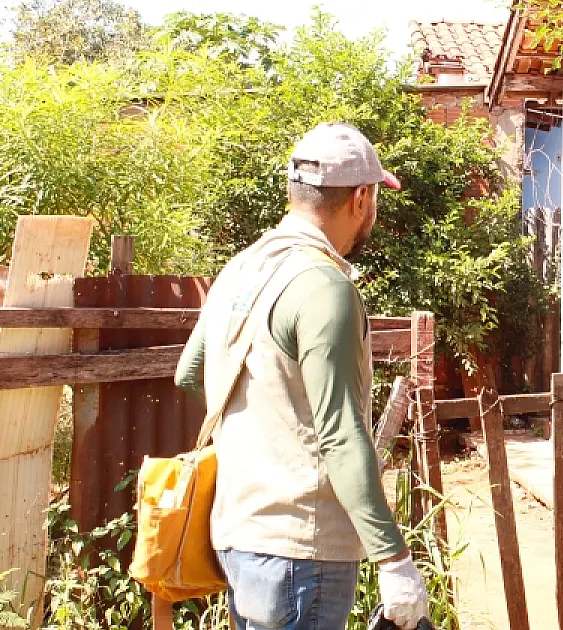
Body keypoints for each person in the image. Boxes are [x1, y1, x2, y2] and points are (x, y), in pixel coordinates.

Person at [174, 122, 430, 630]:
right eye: (375, 197)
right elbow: (340, 433)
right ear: (361, 198)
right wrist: (395, 561)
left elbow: (190, 373)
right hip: (301, 553)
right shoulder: (324, 287)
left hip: (238, 536)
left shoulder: (240, 270)